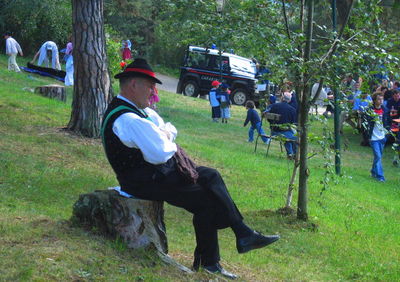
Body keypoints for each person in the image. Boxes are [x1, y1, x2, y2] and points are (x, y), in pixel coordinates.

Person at [101, 58, 280, 279]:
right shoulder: (129, 118)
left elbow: (169, 128)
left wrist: (164, 135)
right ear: (133, 85)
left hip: (154, 174)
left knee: (211, 176)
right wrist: (164, 136)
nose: (153, 91)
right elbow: (160, 153)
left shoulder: (138, 112)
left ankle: (241, 235)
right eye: (150, 85)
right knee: (206, 201)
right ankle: (217, 258)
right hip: (143, 181)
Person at [365, 92, 391, 182]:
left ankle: (373, 171)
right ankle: (380, 177)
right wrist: (367, 136)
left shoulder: (385, 110)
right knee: (378, 156)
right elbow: (366, 125)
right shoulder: (369, 110)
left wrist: (387, 134)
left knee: (377, 157)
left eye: (382, 99)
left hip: (382, 137)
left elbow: (388, 123)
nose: (381, 101)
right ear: (374, 100)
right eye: (379, 99)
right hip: (373, 138)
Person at [266, 92, 298, 159]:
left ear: (282, 98)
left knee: (288, 137)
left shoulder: (274, 106)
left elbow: (269, 119)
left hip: (274, 131)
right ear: (289, 100)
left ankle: (290, 154)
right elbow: (293, 123)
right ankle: (294, 155)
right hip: (284, 132)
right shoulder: (292, 110)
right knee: (295, 137)